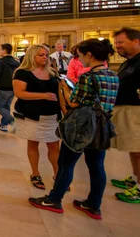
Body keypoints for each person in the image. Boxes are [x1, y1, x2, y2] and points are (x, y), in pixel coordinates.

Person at [29, 38, 119, 220]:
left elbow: (73, 103)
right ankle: (94, 204)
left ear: (90, 55)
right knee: (97, 166)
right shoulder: (113, 75)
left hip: (82, 126)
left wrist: (65, 88)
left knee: (66, 163)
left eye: (81, 56)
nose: (79, 60)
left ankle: (54, 199)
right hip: (102, 127)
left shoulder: (88, 77)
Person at [13, 44, 61, 190]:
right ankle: (35, 173)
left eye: (46, 55)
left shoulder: (52, 72)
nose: (45, 58)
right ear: (32, 56)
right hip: (32, 114)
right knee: (33, 143)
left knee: (53, 144)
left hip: (52, 114)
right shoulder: (22, 72)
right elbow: (20, 93)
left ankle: (58, 173)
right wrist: (43, 96)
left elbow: (59, 91)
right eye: (41, 55)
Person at [110, 27, 140, 204]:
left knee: (138, 149)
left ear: (136, 41)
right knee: (133, 148)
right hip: (127, 109)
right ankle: (136, 178)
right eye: (116, 43)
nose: (117, 46)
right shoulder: (128, 62)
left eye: (121, 42)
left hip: (136, 110)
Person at [0, 43, 20, 132]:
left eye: (0, 49)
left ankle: (12, 121)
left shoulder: (1, 62)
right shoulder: (16, 63)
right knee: (6, 107)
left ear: (4, 51)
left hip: (3, 88)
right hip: (13, 88)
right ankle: (3, 125)